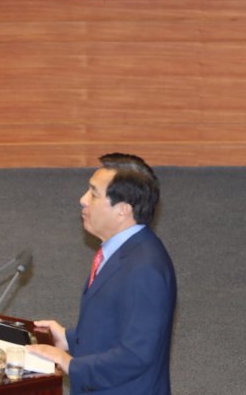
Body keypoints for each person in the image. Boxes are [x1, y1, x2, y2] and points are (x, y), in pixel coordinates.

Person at [27, 153, 177, 394]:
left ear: (123, 210)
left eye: (94, 194)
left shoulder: (145, 269)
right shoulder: (122, 249)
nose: (83, 200)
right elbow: (114, 322)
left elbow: (136, 355)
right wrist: (69, 339)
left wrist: (69, 363)